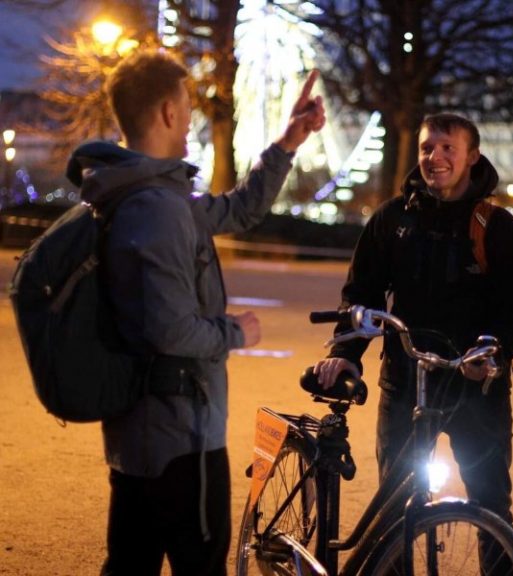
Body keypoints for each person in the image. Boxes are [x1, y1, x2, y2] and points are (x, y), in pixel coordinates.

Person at [65, 49, 325, 576]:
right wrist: (236, 331)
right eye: (186, 105)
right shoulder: (157, 210)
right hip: (180, 433)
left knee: (130, 562)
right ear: (166, 112)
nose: (191, 116)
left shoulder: (145, 197)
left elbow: (240, 209)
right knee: (199, 563)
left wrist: (288, 142)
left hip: (140, 430)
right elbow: (169, 328)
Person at [314, 113, 513, 532]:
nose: (435, 157)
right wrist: (346, 354)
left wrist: (494, 350)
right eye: (427, 148)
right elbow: (362, 294)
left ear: (472, 156)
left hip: (478, 391)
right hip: (405, 384)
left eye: (448, 147)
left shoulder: (500, 229)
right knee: (393, 512)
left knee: (491, 510)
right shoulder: (392, 219)